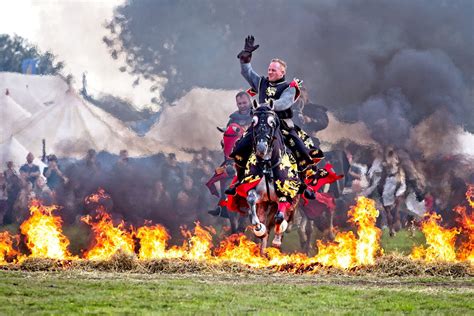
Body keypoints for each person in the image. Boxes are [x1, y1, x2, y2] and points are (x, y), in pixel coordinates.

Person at [226, 35, 324, 198]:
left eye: (273, 70)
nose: (269, 72)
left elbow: (285, 103)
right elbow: (247, 72)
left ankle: (303, 184)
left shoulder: (290, 87)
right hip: (262, 123)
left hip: (282, 124)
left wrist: (268, 105)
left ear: (282, 72)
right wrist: (245, 57)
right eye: (269, 69)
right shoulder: (261, 82)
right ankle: (240, 180)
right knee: (241, 146)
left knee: (300, 149)